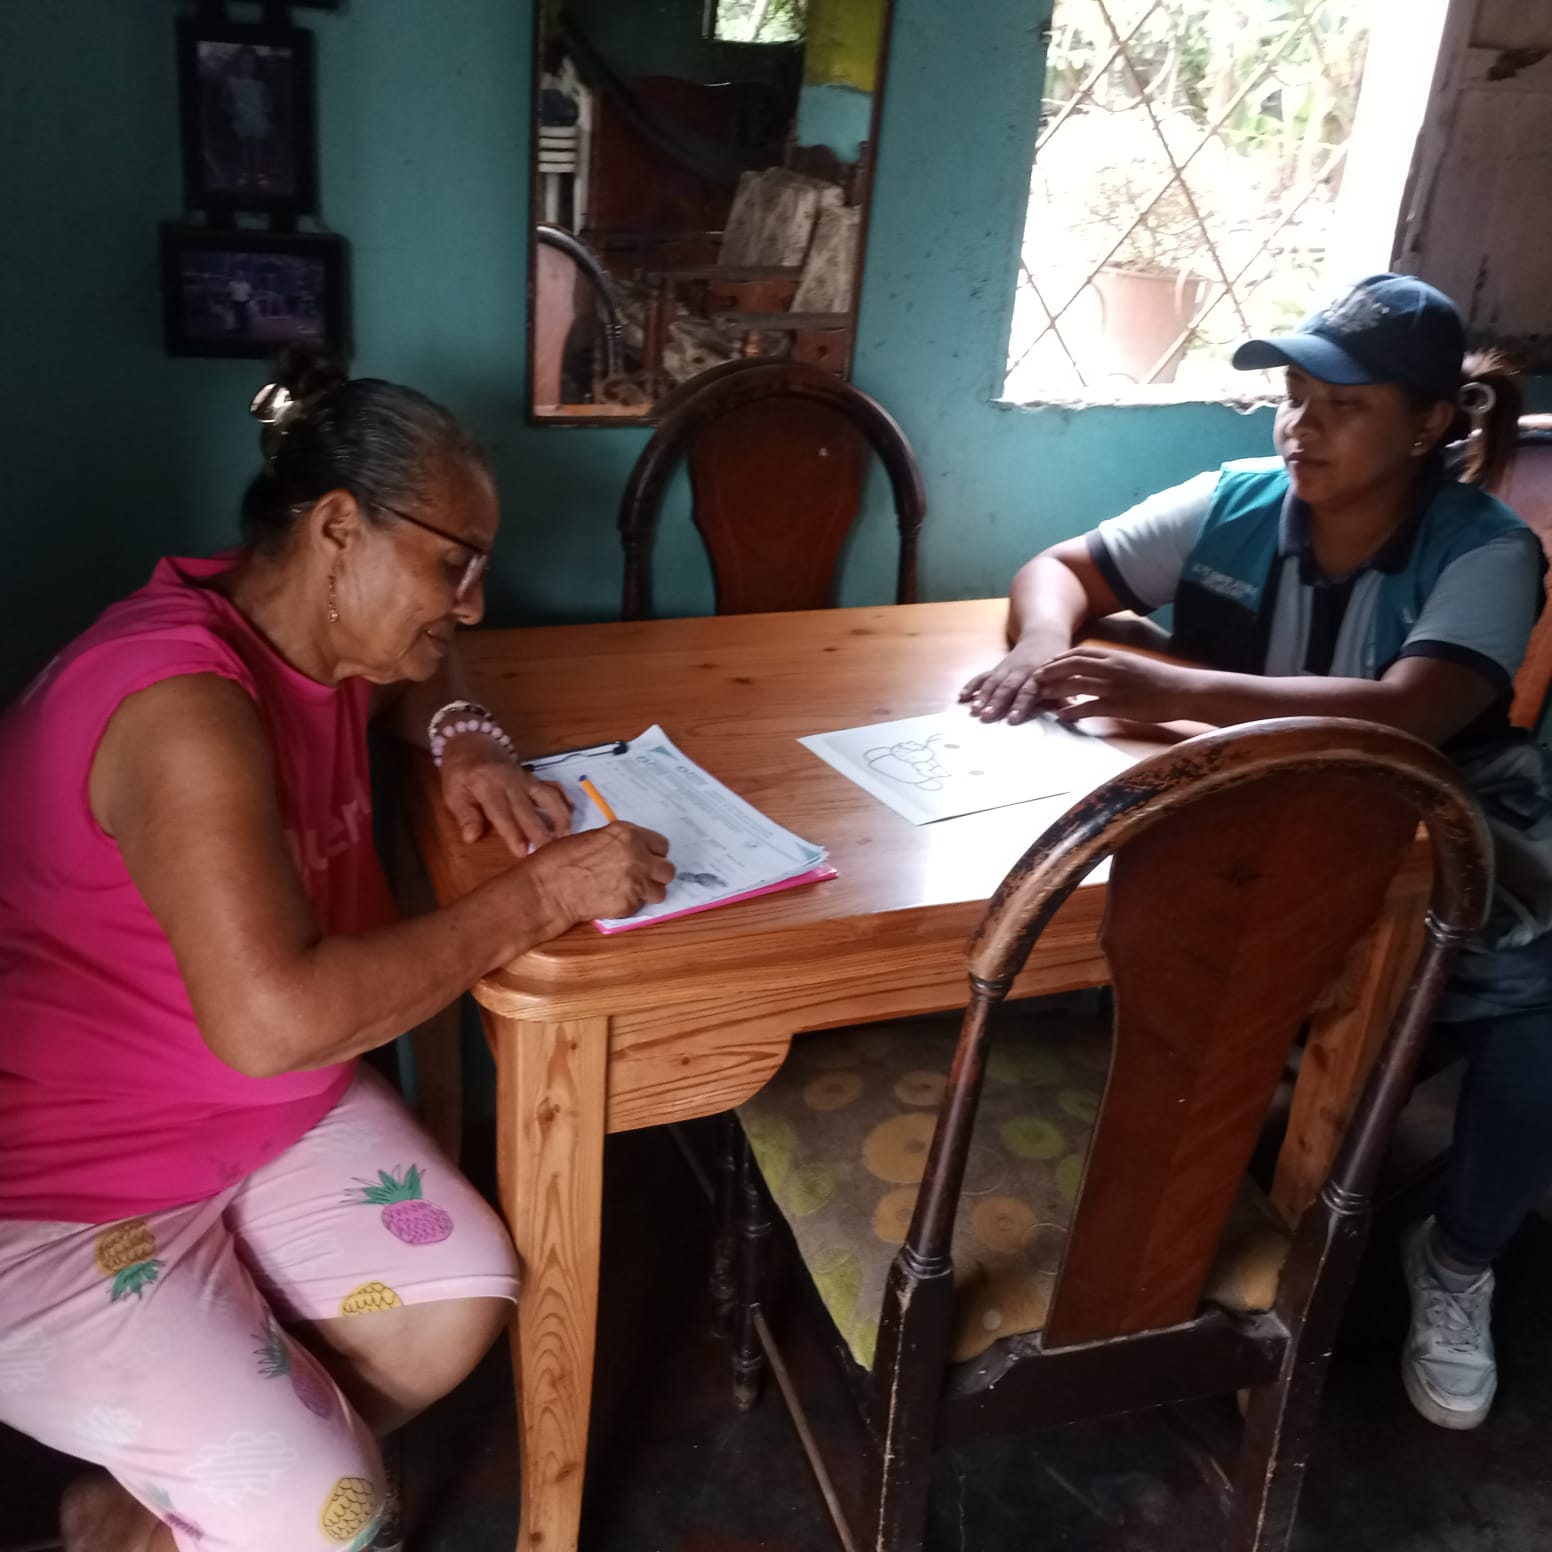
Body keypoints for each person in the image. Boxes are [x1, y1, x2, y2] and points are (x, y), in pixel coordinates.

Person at [0, 345, 675, 1551]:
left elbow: (431, 660)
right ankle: (239, 1493)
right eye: (454, 565)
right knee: (338, 1517)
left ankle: (136, 1512)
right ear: (336, 528)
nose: (472, 602)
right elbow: (274, 1024)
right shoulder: (181, 709)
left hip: (249, 1120)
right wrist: (541, 893)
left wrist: (465, 733)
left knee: (461, 1299)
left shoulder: (311, 632)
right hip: (60, 1184)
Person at [962, 273, 1552, 1434]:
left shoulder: (1484, 550)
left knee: (1538, 1011)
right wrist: (1038, 644)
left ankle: (1459, 1255)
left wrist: (1174, 690)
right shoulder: (1235, 500)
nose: (1300, 428)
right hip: (1258, 811)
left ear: (1428, 426)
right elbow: (1062, 567)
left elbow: (1410, 712)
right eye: (1293, 400)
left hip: (1440, 822)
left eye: (1344, 406)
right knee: (1127, 941)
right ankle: (1169, 1182)